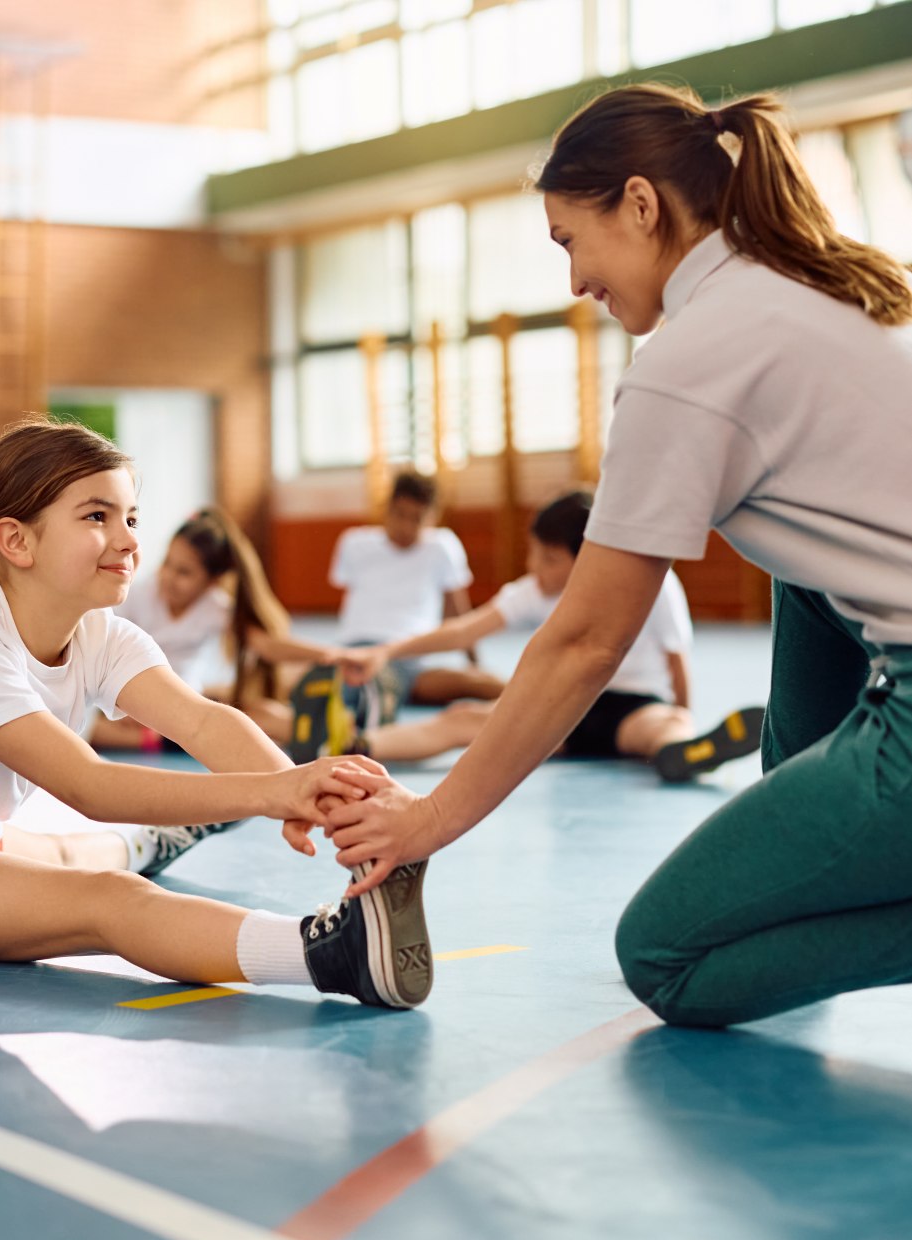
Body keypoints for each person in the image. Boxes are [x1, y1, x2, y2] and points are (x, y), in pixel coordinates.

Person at [322, 83, 912, 1030]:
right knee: (800, 572)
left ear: (640, 204)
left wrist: (432, 819)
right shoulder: (832, 284)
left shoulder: (689, 362)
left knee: (665, 955)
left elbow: (586, 641)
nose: (572, 283)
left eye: (568, 241)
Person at [0, 417, 431, 1010]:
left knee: (64, 853)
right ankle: (337, 953)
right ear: (16, 541)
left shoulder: (98, 632)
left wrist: (320, 798)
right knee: (109, 901)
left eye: (131, 517)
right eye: (97, 517)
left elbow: (203, 721)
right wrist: (273, 794)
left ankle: (152, 843)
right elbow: (91, 785)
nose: (130, 540)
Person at [297, 491, 763, 780]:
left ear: (586, 557)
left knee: (659, 727)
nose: (533, 568)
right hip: (565, 713)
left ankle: (685, 750)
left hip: (633, 705)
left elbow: (676, 657)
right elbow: (463, 630)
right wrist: (386, 651)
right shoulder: (536, 590)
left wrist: (682, 710)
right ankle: (358, 747)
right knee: (463, 718)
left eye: (547, 559)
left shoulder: (651, 583)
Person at [90, 508, 371, 750]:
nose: (169, 577)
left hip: (186, 701)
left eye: (184, 572)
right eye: (168, 564)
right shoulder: (138, 594)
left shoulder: (214, 607)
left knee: (257, 711)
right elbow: (101, 645)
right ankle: (156, 740)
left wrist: (334, 654)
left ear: (212, 581)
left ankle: (340, 729)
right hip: (136, 702)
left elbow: (267, 646)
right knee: (89, 727)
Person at [329, 468, 503, 708]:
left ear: (432, 517)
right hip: (355, 652)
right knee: (297, 680)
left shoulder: (441, 546)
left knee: (480, 683)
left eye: (417, 519)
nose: (406, 527)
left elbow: (458, 613)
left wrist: (474, 663)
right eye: (400, 514)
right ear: (387, 509)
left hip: (410, 658)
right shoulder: (355, 543)